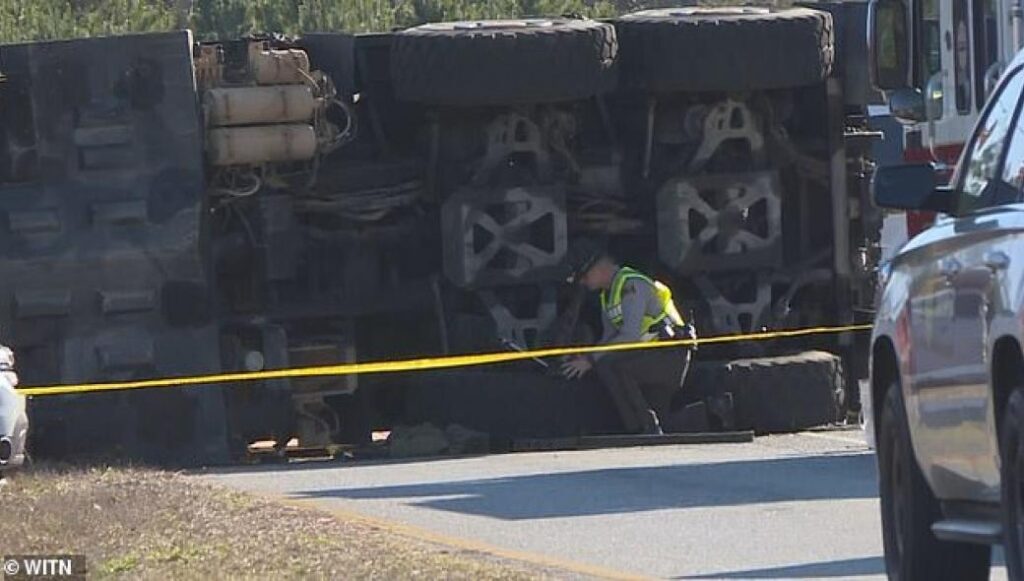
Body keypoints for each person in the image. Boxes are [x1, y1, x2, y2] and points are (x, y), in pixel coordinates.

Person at [560, 242, 695, 435]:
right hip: (650, 356)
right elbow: (609, 339)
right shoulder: (607, 296)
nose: (583, 283)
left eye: (584, 277)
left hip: (670, 355)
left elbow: (630, 335)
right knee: (605, 363)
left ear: (600, 268)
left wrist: (591, 359)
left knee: (615, 366)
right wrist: (584, 357)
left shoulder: (632, 284)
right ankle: (637, 426)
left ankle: (648, 426)